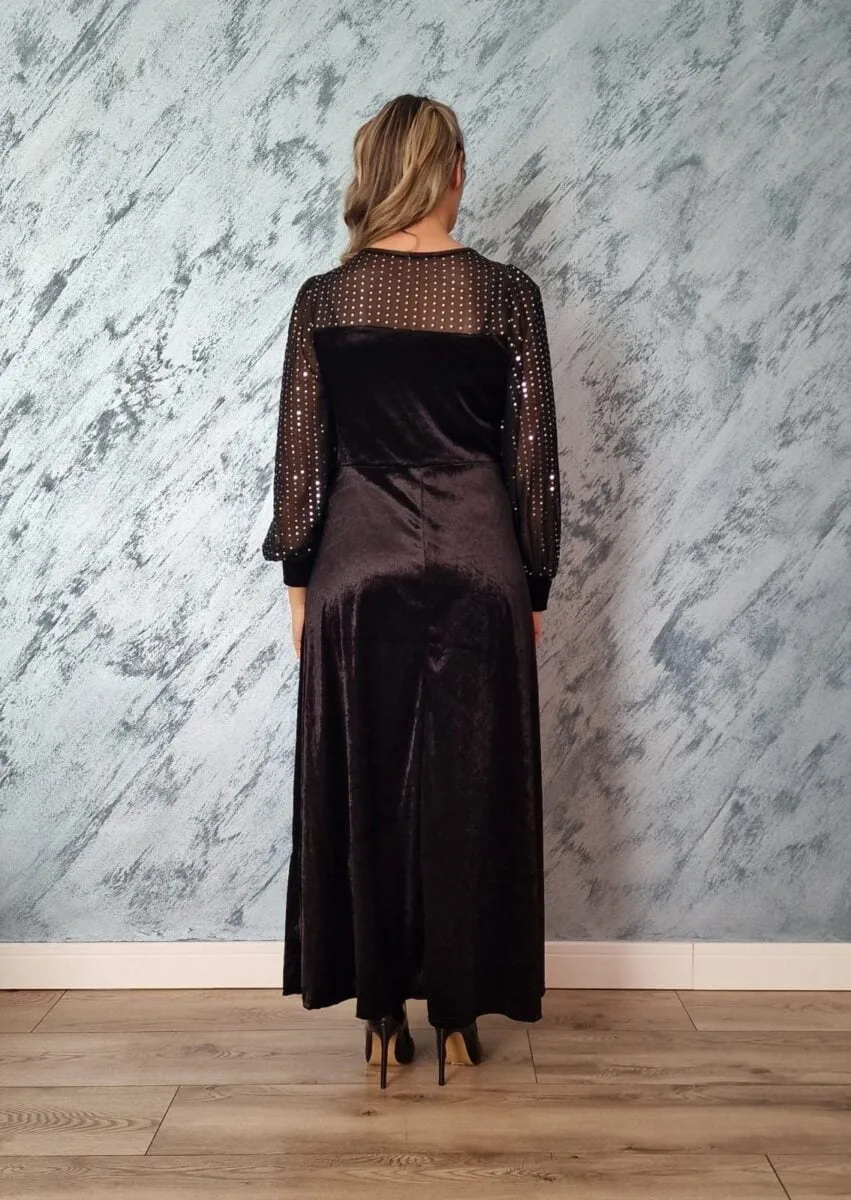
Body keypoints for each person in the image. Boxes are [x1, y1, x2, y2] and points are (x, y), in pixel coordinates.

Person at [261, 94, 561, 1088]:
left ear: (374, 174)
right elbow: (531, 459)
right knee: (472, 782)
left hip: (357, 564)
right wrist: (533, 580)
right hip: (479, 560)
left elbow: (301, 459)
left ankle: (381, 1014)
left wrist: (300, 581)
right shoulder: (504, 296)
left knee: (365, 780)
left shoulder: (324, 300)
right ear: (452, 174)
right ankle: (461, 1013)